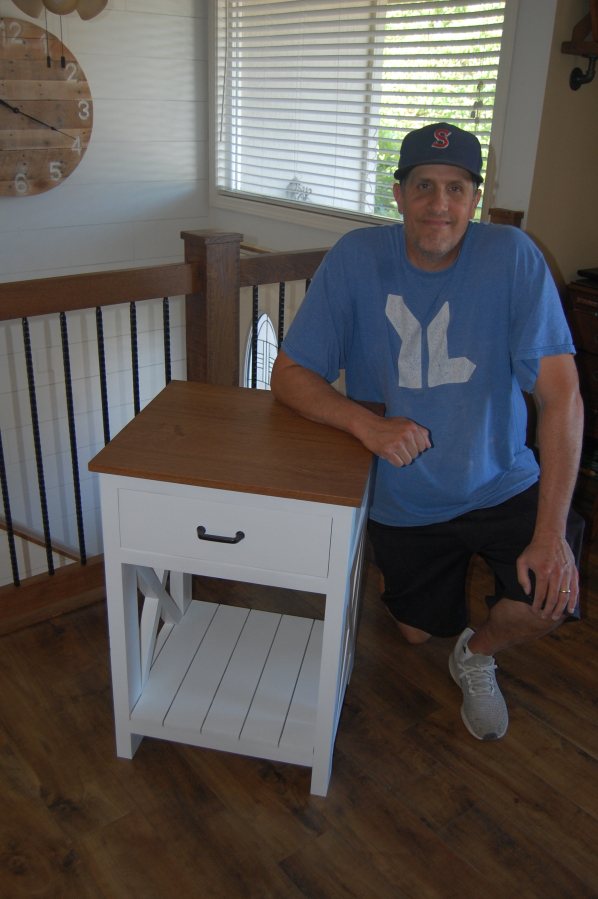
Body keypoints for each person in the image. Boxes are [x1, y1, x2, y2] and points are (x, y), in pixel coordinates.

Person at [270, 121, 584, 742]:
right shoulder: (356, 258)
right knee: (416, 632)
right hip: (404, 496)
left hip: (500, 479)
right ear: (399, 194)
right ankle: (428, 606)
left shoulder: (514, 257)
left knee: (548, 597)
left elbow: (562, 396)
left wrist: (550, 532)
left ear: (474, 198)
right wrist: (366, 424)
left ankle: (477, 655)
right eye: (423, 186)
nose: (439, 205)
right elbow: (289, 375)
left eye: (456, 188)